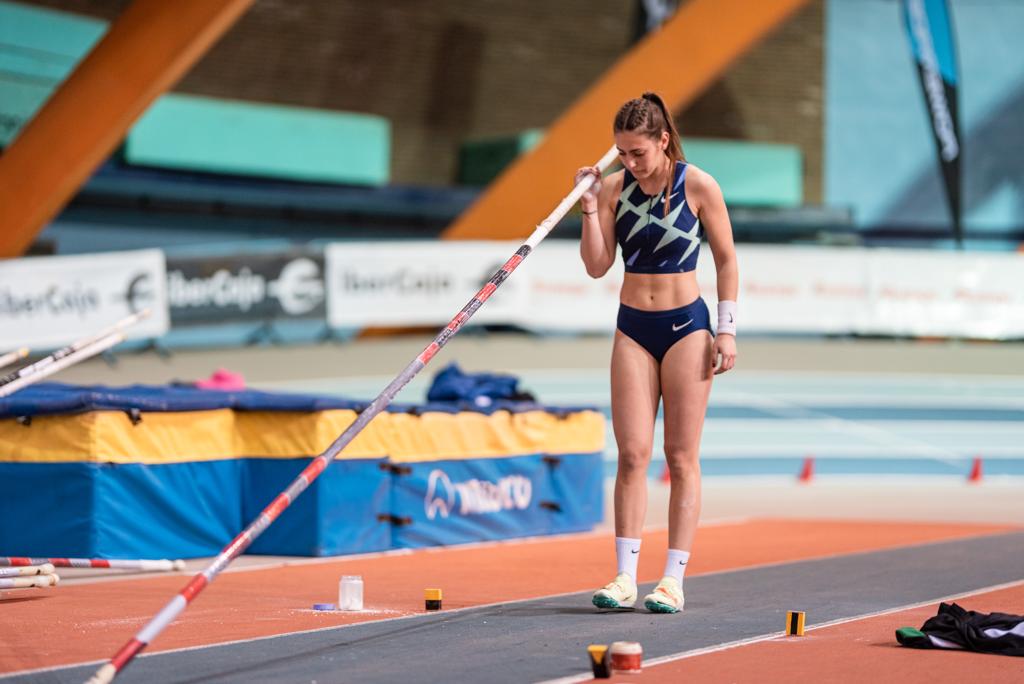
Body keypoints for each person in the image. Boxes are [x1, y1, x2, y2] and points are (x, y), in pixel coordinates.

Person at [575, 92, 738, 614]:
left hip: (687, 327)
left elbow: (727, 260)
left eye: (637, 152)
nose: (629, 162)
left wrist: (728, 331)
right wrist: (587, 208)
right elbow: (597, 265)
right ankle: (625, 576)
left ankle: (672, 580)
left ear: (662, 140)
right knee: (631, 455)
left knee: (681, 456)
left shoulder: (698, 185)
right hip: (633, 328)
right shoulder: (615, 189)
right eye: (621, 153)